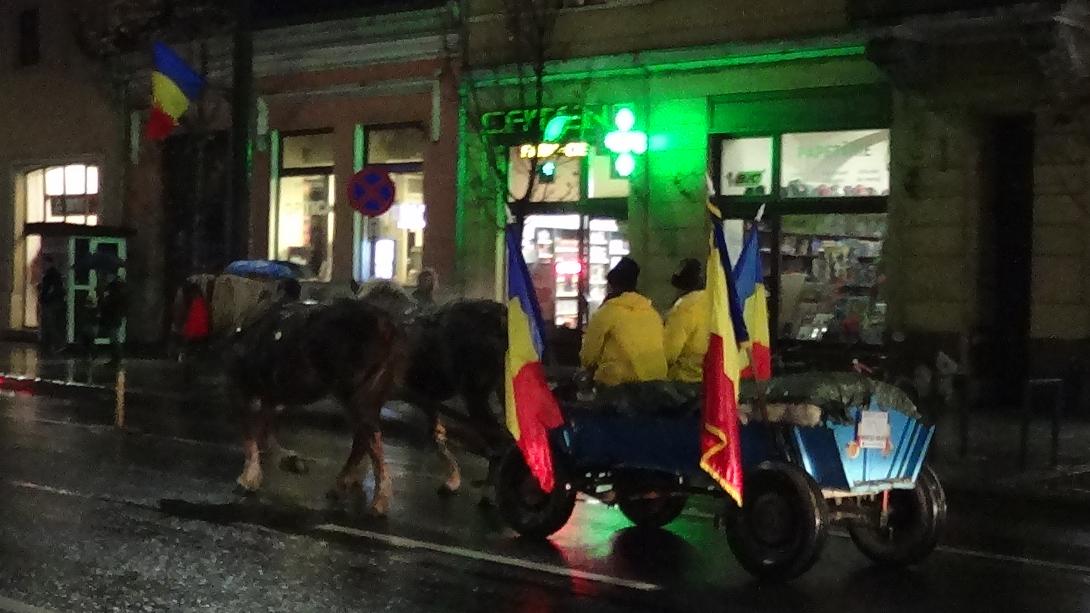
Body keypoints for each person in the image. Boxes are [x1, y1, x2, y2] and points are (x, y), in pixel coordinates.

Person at [579, 257, 667, 387]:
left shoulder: (607, 313)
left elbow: (588, 356)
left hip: (620, 384)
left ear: (611, 286)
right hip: (656, 383)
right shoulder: (652, 312)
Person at [663, 258, 709, 383]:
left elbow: (668, 354)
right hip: (714, 382)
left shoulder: (684, 309)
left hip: (687, 382)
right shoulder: (716, 303)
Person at [38, 255, 65, 356]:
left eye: (44, 263)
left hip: (51, 303)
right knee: (48, 324)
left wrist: (46, 297)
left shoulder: (52, 274)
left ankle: (57, 344)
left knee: (50, 324)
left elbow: (54, 289)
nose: (43, 265)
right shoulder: (49, 274)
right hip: (50, 302)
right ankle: (50, 345)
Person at [97, 272, 127, 364]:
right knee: (113, 337)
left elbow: (109, 304)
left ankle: (117, 357)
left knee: (113, 338)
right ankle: (116, 357)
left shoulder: (114, 292)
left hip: (113, 316)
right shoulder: (118, 291)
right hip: (114, 316)